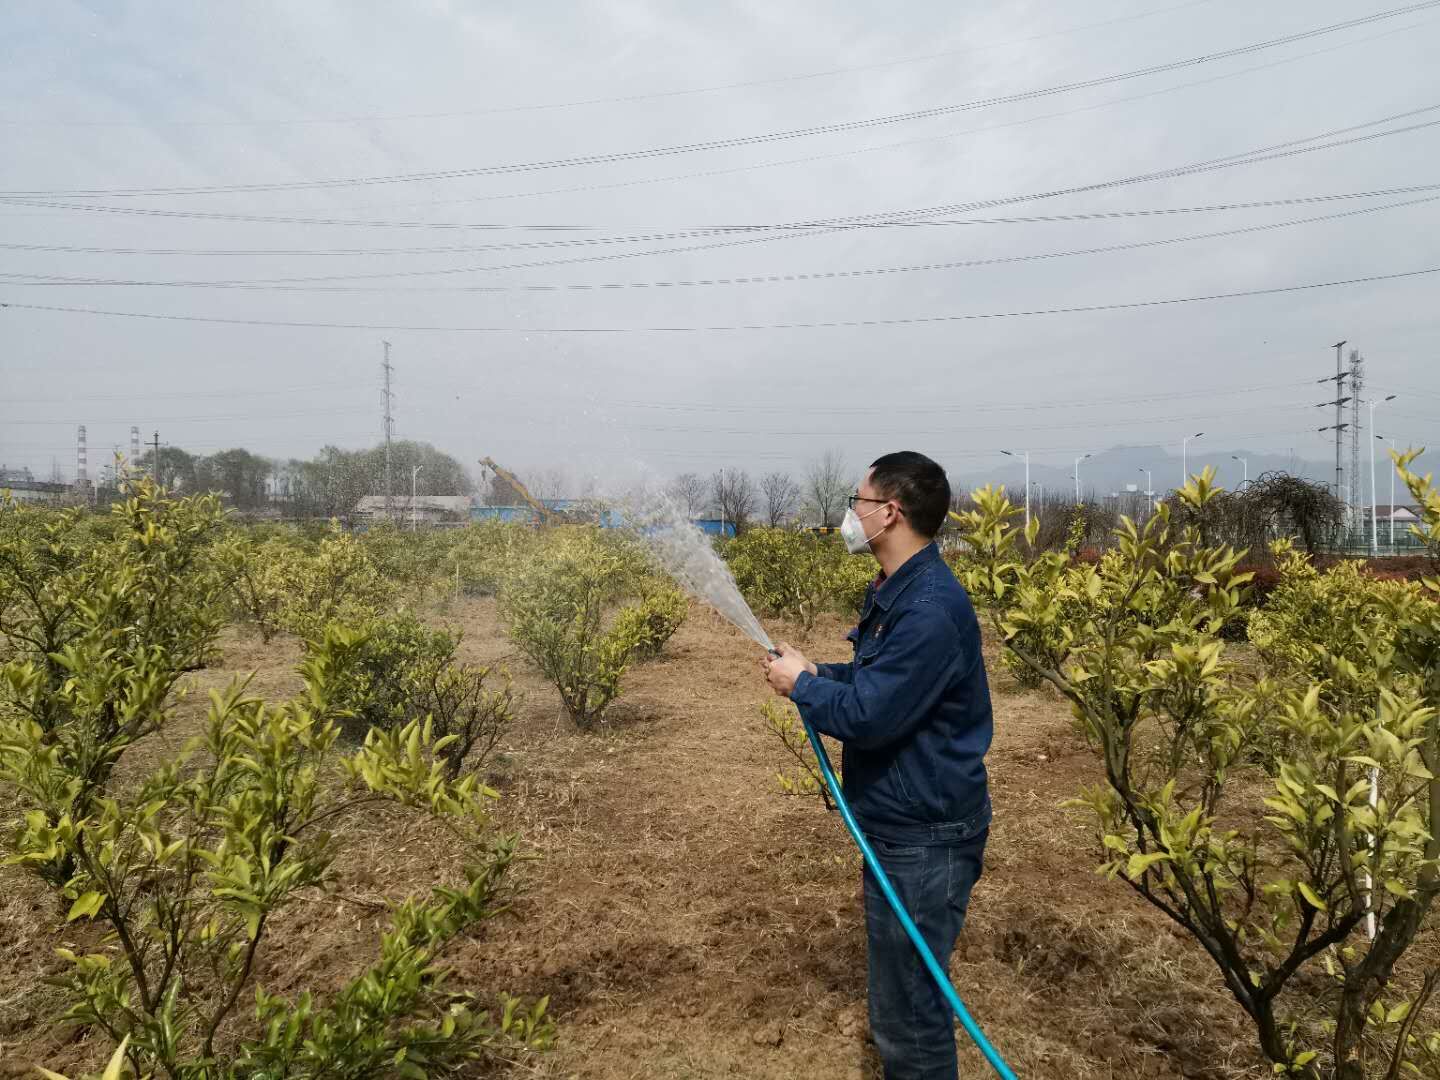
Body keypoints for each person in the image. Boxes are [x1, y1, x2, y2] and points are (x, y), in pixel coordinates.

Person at [763, 451, 993, 1080]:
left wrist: (804, 689)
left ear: (889, 513)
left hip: (925, 839)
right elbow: (880, 683)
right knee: (903, 1000)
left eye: (857, 500)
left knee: (909, 1015)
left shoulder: (927, 609)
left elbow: (870, 716)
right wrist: (816, 673)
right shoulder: (902, 592)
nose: (849, 512)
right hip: (906, 825)